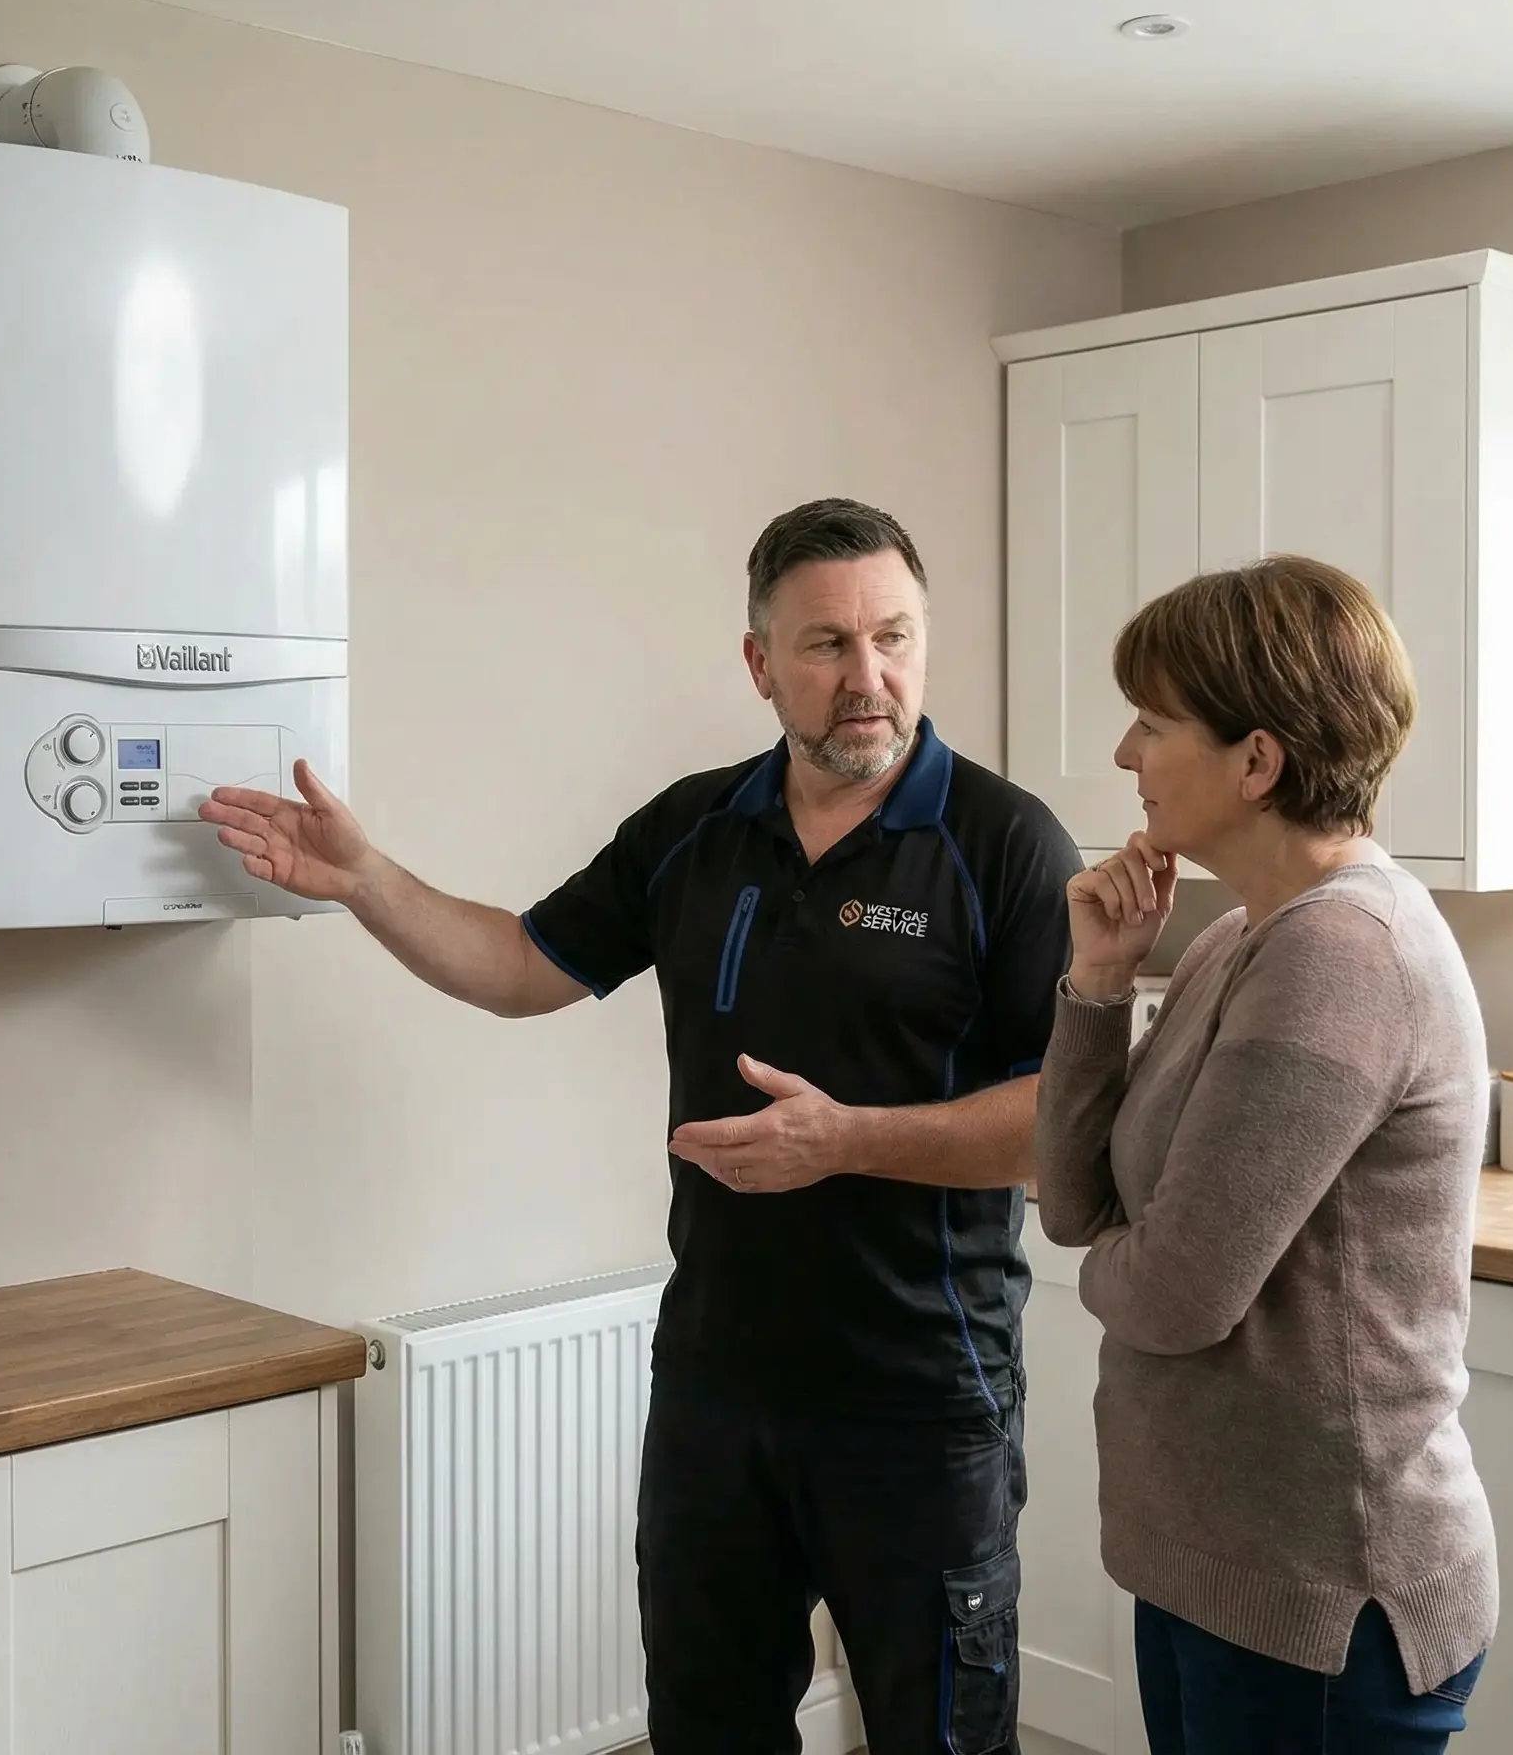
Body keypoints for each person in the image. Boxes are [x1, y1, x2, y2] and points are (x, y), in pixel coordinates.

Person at [202, 498, 1077, 1754]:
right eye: (826, 644)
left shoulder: (1006, 847)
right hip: (717, 1389)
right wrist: (363, 880)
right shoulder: (694, 831)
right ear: (760, 663)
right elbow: (520, 965)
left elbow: (1059, 1122)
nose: (867, 676)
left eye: (893, 637)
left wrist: (847, 1140)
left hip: (924, 1401)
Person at [1031, 557, 1496, 1754]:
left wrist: (1122, 1261)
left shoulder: (1344, 955)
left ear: (1257, 761)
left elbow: (1177, 1293)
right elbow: (1073, 1204)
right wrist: (1098, 981)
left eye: (1153, 722)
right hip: (1218, 1569)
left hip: (1325, 1599)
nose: (1126, 753)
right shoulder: (1237, 938)